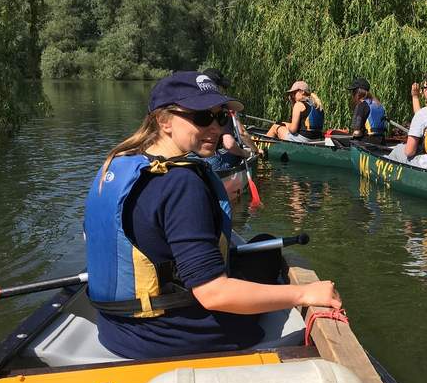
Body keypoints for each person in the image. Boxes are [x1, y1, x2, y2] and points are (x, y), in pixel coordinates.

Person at [84, 71, 340, 359]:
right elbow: (213, 293)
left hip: (114, 329)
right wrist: (304, 293)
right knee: (267, 255)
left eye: (221, 116)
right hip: (167, 336)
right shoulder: (181, 183)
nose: (217, 128)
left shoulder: (119, 163)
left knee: (262, 248)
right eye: (202, 117)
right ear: (163, 121)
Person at [200, 68, 261, 170]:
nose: (224, 91)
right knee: (239, 153)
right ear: (217, 87)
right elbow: (232, 142)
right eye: (223, 87)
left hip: (191, 158)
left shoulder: (192, 104)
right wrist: (252, 151)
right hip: (213, 163)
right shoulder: (223, 108)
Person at [347, 77, 386, 145]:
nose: (352, 95)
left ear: (357, 93)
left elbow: (357, 133)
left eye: (353, 92)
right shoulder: (379, 105)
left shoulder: (362, 105)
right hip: (381, 141)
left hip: (367, 142)